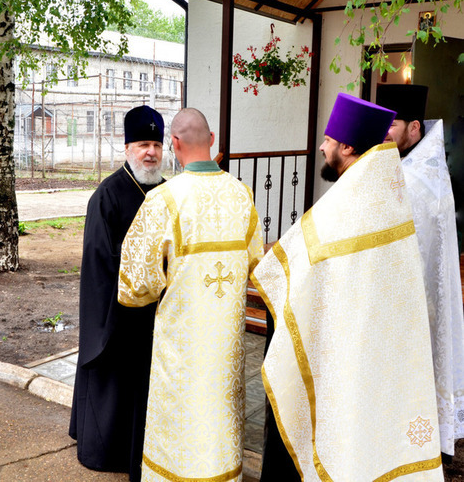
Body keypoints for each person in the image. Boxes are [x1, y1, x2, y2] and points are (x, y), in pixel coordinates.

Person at [256, 93, 442, 480]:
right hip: (376, 352)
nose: (322, 146)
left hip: (342, 350)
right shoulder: (385, 198)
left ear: (347, 146)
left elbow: (284, 274)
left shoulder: (346, 208)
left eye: (328, 139)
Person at [117, 107, 264, 481]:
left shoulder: (163, 201)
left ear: (174, 144)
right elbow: (256, 264)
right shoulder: (241, 195)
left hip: (182, 348)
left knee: (180, 422)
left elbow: (135, 286)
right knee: (219, 419)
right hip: (227, 346)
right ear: (212, 141)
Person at [69, 104, 165, 481]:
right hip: (118, 312)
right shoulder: (107, 196)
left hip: (156, 311)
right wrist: (124, 304)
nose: (151, 153)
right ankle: (105, 449)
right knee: (114, 382)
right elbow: (98, 263)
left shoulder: (167, 192)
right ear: (126, 147)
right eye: (143, 144)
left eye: (156, 144)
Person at [379, 83, 464, 462]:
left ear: (415, 128)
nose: (385, 131)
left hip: (414, 304)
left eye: (392, 124)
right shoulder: (414, 166)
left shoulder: (416, 180)